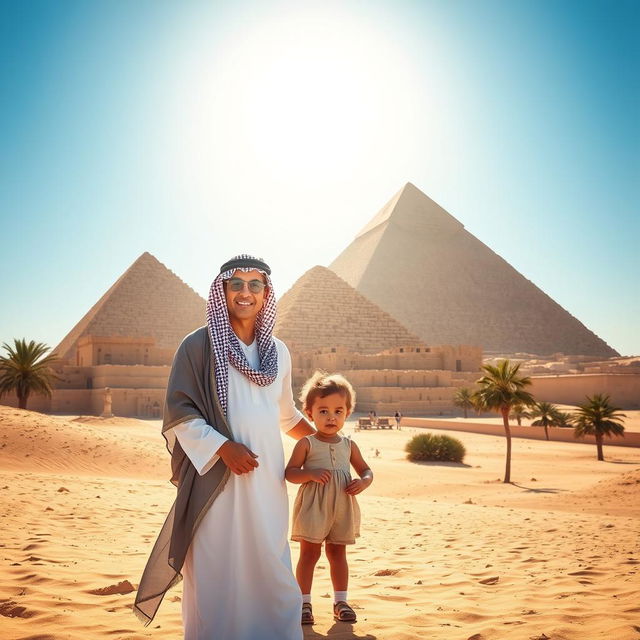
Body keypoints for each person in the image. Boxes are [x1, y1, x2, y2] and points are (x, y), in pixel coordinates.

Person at [134, 254, 314, 640]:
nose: (245, 293)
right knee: (218, 570)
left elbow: (285, 413)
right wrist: (222, 448)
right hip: (215, 480)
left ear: (266, 294)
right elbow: (180, 410)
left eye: (255, 285)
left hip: (266, 483)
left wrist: (324, 443)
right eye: (236, 284)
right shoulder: (198, 346)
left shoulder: (278, 352)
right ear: (223, 291)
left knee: (271, 564)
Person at [285, 372, 373, 626]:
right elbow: (290, 473)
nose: (331, 417)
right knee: (309, 554)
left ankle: (341, 601)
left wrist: (364, 481)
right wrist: (309, 473)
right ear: (309, 413)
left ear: (347, 412)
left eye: (338, 411)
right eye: (323, 411)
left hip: (342, 507)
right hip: (314, 507)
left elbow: (366, 470)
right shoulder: (306, 443)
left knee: (338, 554)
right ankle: (303, 603)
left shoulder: (349, 445)